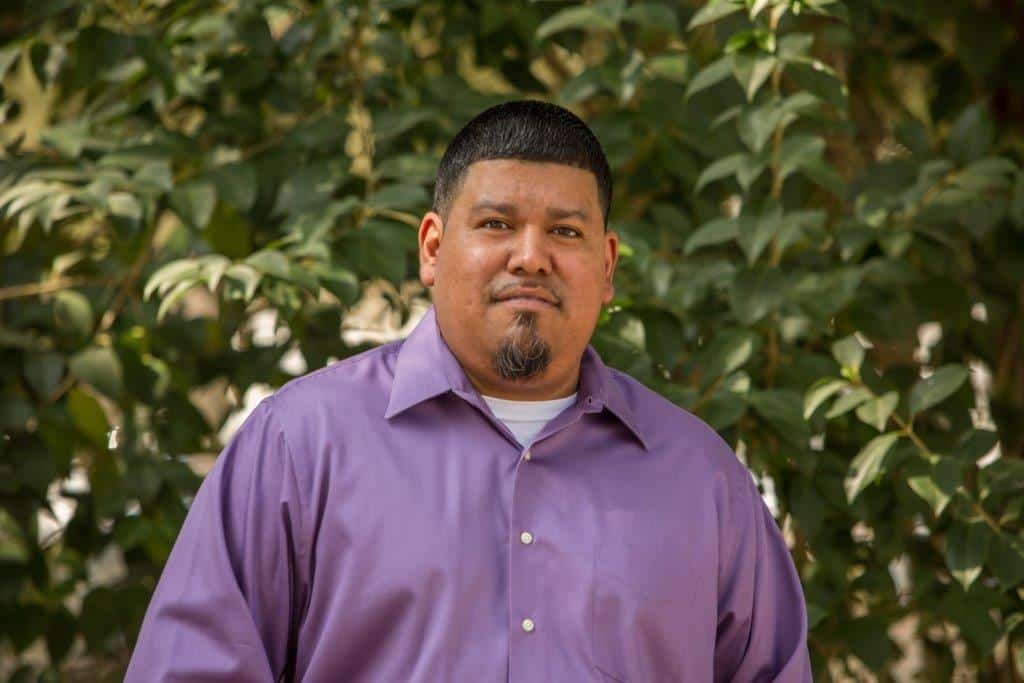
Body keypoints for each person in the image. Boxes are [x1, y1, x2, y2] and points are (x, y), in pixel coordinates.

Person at [125, 99, 812, 682]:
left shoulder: (701, 479)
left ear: (606, 266)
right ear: (432, 248)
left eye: (565, 231)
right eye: (496, 224)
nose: (531, 256)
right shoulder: (300, 447)